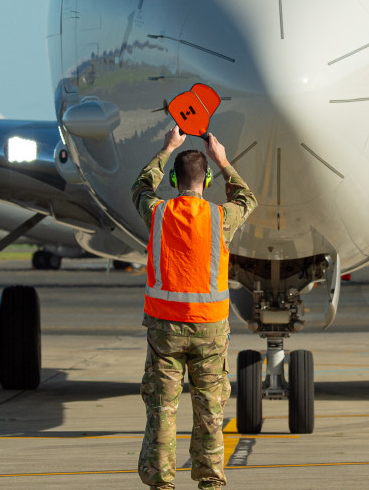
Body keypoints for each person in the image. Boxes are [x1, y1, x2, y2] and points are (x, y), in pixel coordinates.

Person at [131, 126, 258, 489]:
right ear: (206, 179)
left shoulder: (158, 213)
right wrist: (222, 159)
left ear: (174, 179)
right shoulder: (221, 218)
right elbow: (246, 198)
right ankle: (211, 483)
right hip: (210, 330)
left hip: (165, 330)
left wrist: (167, 147)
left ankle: (162, 484)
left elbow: (140, 187)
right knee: (209, 414)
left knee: (162, 412)